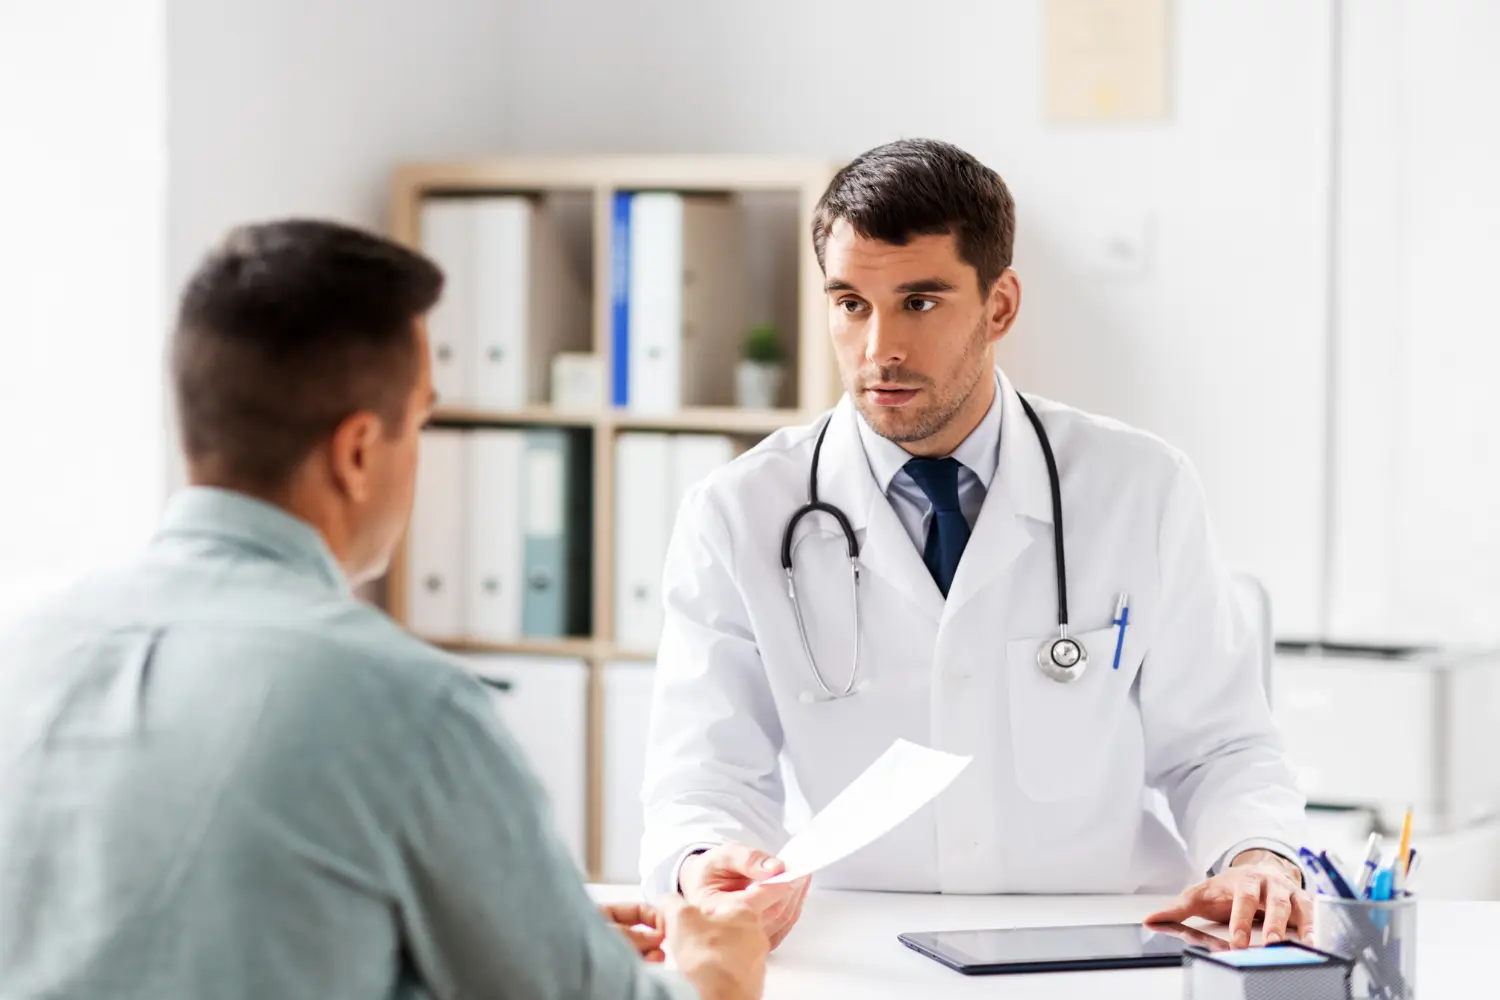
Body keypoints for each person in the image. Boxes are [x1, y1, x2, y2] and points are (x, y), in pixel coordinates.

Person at [0, 220, 767, 1000]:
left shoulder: (20, 642)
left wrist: (529, 927)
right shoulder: (404, 702)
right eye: (423, 422)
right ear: (359, 451)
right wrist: (717, 973)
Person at [640, 139, 1311, 952]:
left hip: (1098, 939)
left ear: (999, 307)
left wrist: (1255, 856)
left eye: (919, 302)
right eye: (851, 302)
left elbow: (1219, 745)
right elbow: (705, 771)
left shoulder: (1141, 486)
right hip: (858, 945)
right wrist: (706, 859)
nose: (879, 347)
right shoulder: (740, 511)